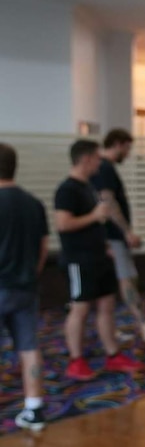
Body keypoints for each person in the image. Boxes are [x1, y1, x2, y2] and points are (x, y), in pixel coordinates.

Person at [54, 139, 143, 381]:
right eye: (96, 158)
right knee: (80, 308)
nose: (99, 162)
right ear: (85, 160)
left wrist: (105, 246)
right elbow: (63, 224)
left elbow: (94, 223)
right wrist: (94, 216)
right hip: (78, 259)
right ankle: (76, 359)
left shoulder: (88, 187)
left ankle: (113, 354)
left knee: (107, 306)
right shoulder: (67, 189)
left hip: (98, 256)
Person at [91, 128, 145, 343]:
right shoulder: (105, 168)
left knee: (112, 283)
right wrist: (126, 232)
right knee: (127, 279)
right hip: (112, 235)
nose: (127, 155)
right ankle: (144, 325)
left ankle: (111, 329)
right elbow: (108, 200)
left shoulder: (99, 167)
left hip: (105, 236)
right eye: (127, 148)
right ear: (117, 144)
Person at [0, 143, 49, 431]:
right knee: (29, 346)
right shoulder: (33, 203)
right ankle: (34, 408)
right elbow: (43, 249)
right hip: (26, 286)